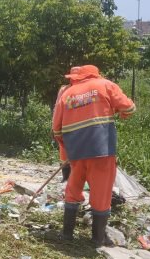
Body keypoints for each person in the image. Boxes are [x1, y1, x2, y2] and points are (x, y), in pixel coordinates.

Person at [52, 64, 136, 247]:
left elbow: (56, 129)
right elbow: (129, 108)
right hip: (101, 151)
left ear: (78, 77)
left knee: (73, 190)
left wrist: (65, 154)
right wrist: (119, 112)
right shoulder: (106, 85)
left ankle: (67, 235)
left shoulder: (67, 93)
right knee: (101, 192)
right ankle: (98, 239)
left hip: (76, 153)